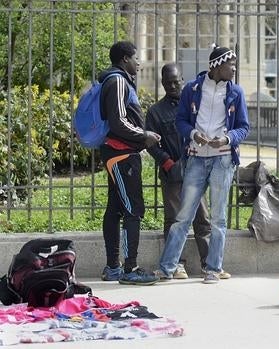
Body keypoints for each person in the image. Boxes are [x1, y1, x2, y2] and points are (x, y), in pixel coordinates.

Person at [155, 45, 250, 284]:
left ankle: (213, 269)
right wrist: (194, 134)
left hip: (223, 158)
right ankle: (167, 267)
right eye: (231, 64)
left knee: (218, 218)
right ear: (217, 65)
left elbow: (244, 127)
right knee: (183, 216)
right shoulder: (192, 89)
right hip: (196, 157)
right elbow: (181, 121)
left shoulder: (236, 92)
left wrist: (227, 139)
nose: (234, 69)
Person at [99, 41, 160, 285]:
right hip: (122, 154)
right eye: (136, 58)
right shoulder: (118, 81)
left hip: (119, 153)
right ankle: (129, 268)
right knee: (133, 210)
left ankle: (113, 267)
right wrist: (143, 136)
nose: (139, 62)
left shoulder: (117, 80)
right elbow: (118, 122)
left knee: (115, 209)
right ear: (125, 59)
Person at [145, 63, 212, 279]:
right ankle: (177, 265)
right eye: (168, 82)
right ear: (163, 83)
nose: (173, 85)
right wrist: (168, 164)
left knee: (203, 218)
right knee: (174, 220)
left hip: (196, 169)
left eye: (176, 81)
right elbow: (151, 144)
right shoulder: (155, 112)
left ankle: (209, 264)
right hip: (171, 173)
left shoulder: (196, 106)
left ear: (182, 79)